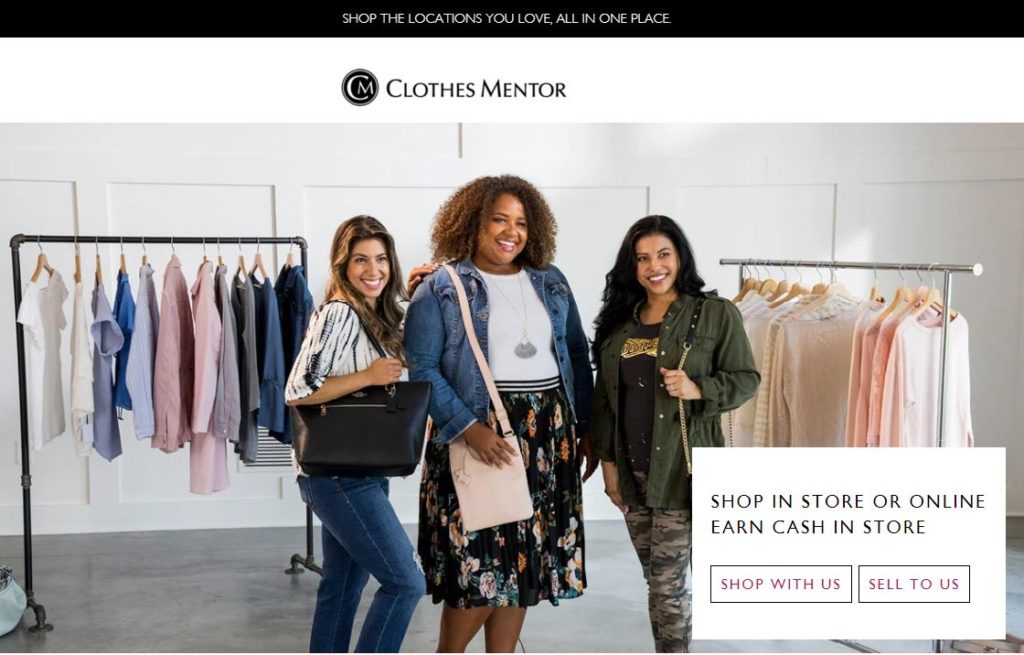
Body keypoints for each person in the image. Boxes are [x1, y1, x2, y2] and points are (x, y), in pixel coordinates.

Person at [405, 175, 595, 653]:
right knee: (480, 567)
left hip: (549, 434)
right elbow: (422, 369)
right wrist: (470, 429)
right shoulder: (441, 287)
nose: (511, 232)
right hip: (482, 431)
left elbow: (574, 350)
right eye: (499, 220)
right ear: (474, 222)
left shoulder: (550, 280)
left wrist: (585, 428)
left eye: (521, 223)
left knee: (523, 562)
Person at [589, 215, 760, 653]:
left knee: (665, 587)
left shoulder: (715, 314)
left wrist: (698, 388)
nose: (654, 266)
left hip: (683, 473)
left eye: (663, 254)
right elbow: (606, 400)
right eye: (643, 258)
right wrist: (608, 466)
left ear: (680, 256)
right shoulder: (619, 324)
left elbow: (746, 378)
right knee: (658, 580)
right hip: (633, 474)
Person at [285, 215, 426, 653]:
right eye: (361, 260)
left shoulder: (370, 314)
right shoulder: (339, 312)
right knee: (405, 583)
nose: (373, 270)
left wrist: (416, 292)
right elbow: (298, 390)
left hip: (353, 471)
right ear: (343, 265)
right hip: (340, 479)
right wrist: (368, 375)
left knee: (341, 587)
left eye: (381, 259)